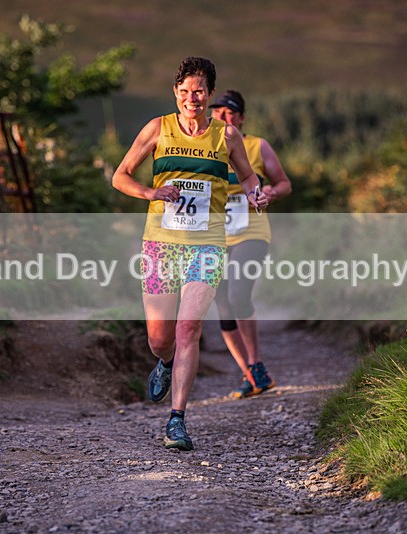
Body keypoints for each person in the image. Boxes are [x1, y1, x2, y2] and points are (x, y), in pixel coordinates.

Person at [112, 58, 268, 451]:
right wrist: (150, 193)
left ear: (210, 93)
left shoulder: (227, 136)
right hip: (161, 242)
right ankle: (163, 363)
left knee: (189, 328)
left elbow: (248, 176)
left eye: (198, 91)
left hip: (208, 243)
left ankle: (176, 419)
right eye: (183, 92)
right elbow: (121, 175)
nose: (191, 99)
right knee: (159, 338)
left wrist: (256, 192)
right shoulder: (157, 129)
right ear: (175, 94)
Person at [209, 90, 292, 399]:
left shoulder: (257, 146)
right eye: (217, 112)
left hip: (251, 232)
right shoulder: (203, 148)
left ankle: (255, 363)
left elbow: (284, 183)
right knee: (224, 307)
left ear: (241, 118)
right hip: (213, 237)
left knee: (238, 291)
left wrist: (271, 192)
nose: (223, 118)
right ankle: (251, 375)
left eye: (230, 113)